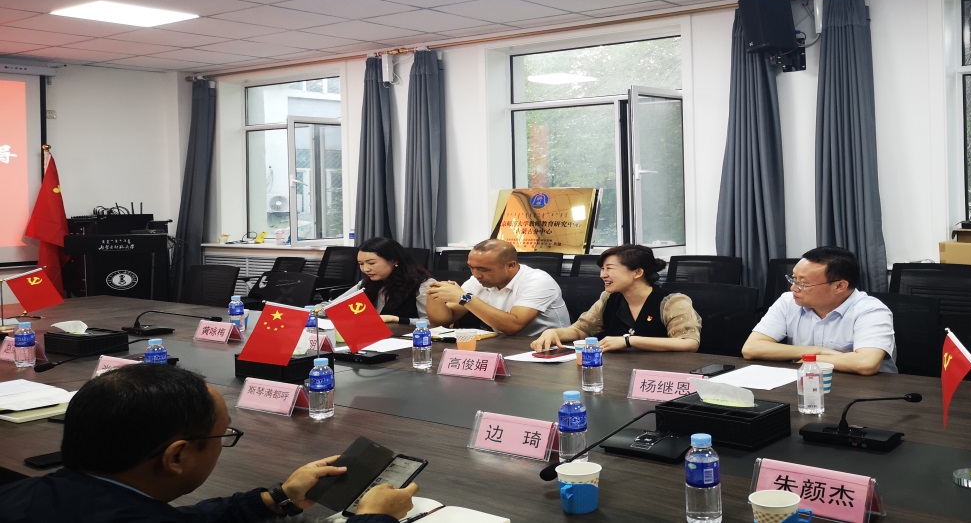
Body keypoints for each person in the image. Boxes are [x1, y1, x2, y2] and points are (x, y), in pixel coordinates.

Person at [0, 364, 416, 522]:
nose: (223, 443)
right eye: (222, 435)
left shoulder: (24, 495)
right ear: (177, 456)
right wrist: (375, 517)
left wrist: (276, 499)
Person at [742, 246, 896, 375]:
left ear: (839, 286)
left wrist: (813, 359)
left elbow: (866, 363)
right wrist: (817, 351)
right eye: (793, 279)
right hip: (807, 383)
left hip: (866, 390)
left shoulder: (871, 311)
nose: (793, 288)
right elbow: (751, 348)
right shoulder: (788, 301)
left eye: (803, 284)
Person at [530, 244, 702, 353]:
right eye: (602, 269)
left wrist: (629, 341)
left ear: (637, 272)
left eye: (609, 269)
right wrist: (554, 332)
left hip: (661, 373)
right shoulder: (609, 298)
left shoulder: (672, 302)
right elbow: (581, 330)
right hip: (619, 371)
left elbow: (689, 343)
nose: (603, 275)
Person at [426, 239, 569, 337]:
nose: (476, 274)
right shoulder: (478, 280)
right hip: (506, 346)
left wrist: (464, 298)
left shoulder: (538, 281)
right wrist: (435, 293)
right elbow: (443, 320)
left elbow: (513, 326)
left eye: (483, 269)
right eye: (471, 268)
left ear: (510, 265)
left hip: (549, 349)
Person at [341, 237, 434, 326]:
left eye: (371, 263)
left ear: (394, 260)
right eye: (361, 264)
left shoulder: (422, 285)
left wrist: (396, 319)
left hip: (405, 335)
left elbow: (432, 323)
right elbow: (337, 305)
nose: (365, 269)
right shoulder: (366, 283)